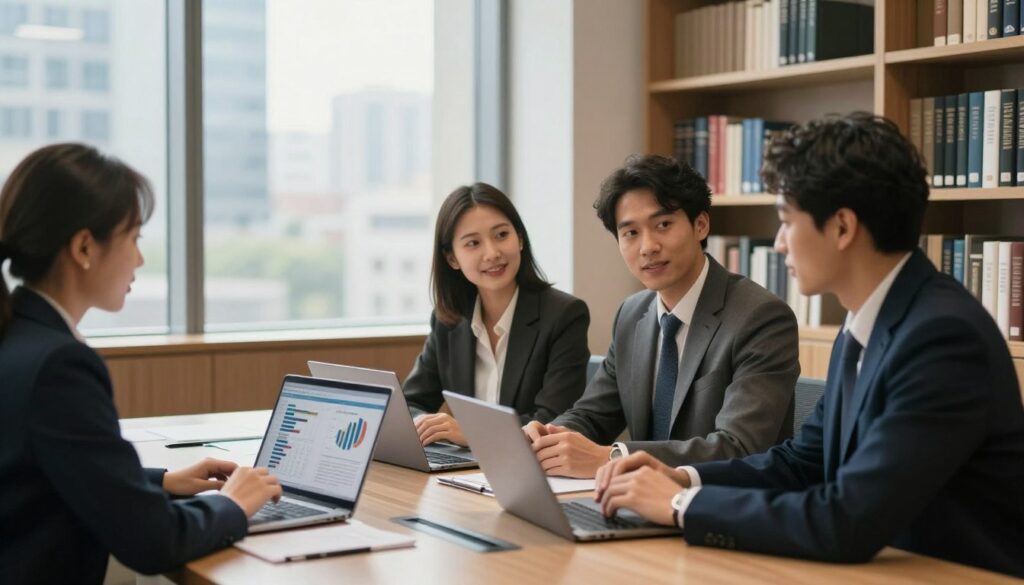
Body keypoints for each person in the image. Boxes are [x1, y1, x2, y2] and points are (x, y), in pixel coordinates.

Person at [594, 114, 1024, 578]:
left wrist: (680, 504)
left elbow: (847, 519)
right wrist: (683, 476)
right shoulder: (865, 322)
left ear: (842, 227)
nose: (779, 245)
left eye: (785, 221)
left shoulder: (941, 339)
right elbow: (803, 462)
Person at [0, 144, 283, 585]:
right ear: (84, 247)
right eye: (134, 239)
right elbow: (154, 541)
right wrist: (235, 504)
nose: (140, 259)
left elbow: (39, 470)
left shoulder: (17, 335)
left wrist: (158, 482)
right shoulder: (60, 366)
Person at [524, 154, 800, 478]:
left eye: (663, 225)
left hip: (722, 511)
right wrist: (547, 438)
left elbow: (737, 447)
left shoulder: (760, 317)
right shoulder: (632, 315)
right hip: (641, 506)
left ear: (701, 225)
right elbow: (592, 416)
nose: (648, 247)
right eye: (630, 233)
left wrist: (612, 457)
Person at [403, 182, 590, 446]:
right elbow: (410, 403)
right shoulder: (449, 319)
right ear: (452, 259)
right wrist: (426, 424)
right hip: (463, 471)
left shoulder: (564, 315)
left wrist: (473, 434)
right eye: (473, 243)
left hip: (531, 470)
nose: (492, 253)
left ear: (520, 239)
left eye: (502, 235)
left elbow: (552, 422)